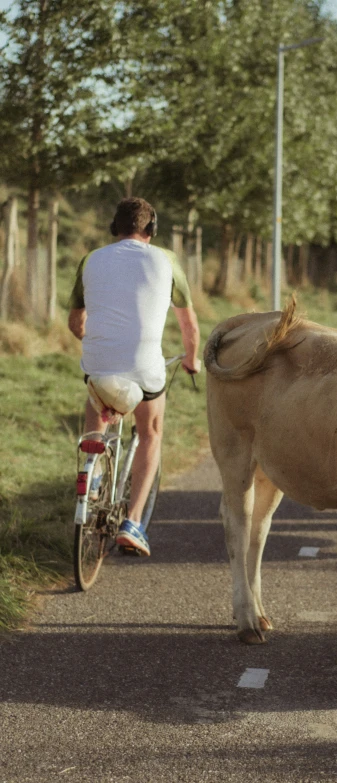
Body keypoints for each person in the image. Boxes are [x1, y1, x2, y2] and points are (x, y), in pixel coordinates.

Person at [68, 197, 201, 556]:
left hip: (98, 364)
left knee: (97, 406)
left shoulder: (91, 260)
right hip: (145, 370)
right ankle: (134, 523)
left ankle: (92, 476)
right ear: (151, 230)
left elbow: (74, 322)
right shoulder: (167, 261)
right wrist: (192, 360)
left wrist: (97, 341)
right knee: (151, 434)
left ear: (115, 228)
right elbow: (188, 325)